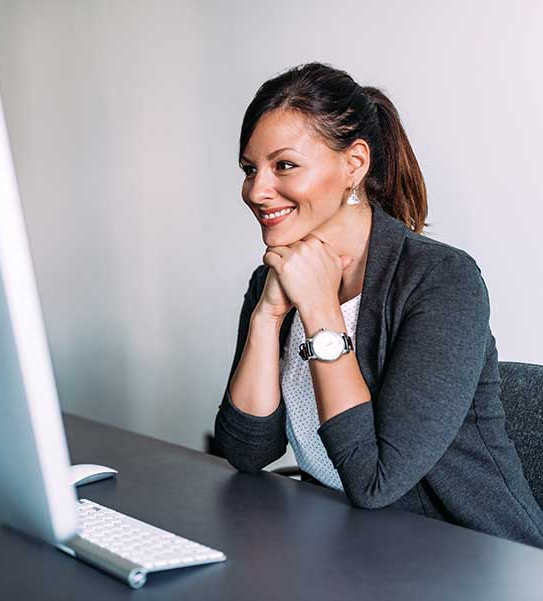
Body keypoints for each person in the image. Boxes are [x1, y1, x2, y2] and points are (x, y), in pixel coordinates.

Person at [213, 62, 543, 549]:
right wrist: (268, 315)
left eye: (283, 165)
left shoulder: (441, 280)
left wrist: (321, 308)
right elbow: (247, 450)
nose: (256, 191)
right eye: (249, 169)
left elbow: (375, 481)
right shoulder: (275, 278)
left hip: (464, 554)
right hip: (340, 539)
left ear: (354, 164)